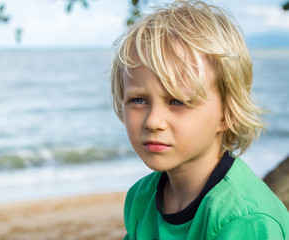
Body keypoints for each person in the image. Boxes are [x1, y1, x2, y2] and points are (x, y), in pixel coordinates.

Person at [110, 0, 289, 239]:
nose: (153, 121)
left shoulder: (245, 220)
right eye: (138, 100)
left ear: (227, 113)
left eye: (177, 101)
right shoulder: (142, 197)